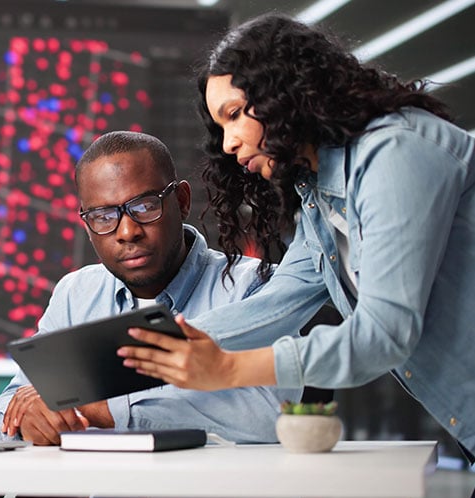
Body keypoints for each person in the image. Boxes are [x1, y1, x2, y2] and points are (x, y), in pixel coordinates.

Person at [117, 13, 475, 464]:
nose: (227, 143)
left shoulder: (397, 154)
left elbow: (383, 335)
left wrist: (226, 369)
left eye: (233, 115)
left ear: (285, 95)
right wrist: (143, 355)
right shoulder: (320, 196)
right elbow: (274, 308)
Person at [0, 130, 301, 445]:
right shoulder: (76, 294)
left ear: (181, 201)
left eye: (144, 207)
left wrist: (110, 411)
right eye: (103, 216)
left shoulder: (255, 287)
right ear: (87, 224)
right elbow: (9, 408)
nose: (127, 232)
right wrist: (27, 417)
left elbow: (275, 413)